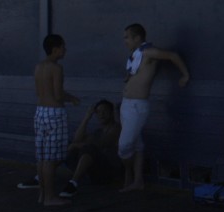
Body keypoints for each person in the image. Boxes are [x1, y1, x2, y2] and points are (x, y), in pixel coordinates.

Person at [119, 23, 190, 192]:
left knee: (124, 146)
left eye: (127, 37)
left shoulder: (148, 52)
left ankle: (128, 173)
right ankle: (138, 181)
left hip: (137, 105)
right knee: (137, 145)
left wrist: (185, 75)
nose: (125, 41)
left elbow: (173, 55)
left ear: (137, 37)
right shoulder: (135, 55)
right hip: (126, 103)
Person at [33, 33, 80, 205]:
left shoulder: (38, 67)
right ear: (55, 49)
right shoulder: (56, 68)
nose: (65, 50)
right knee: (52, 159)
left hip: (40, 112)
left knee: (42, 157)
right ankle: (50, 197)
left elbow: (39, 92)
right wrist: (73, 98)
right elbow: (58, 94)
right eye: (63, 46)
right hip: (54, 113)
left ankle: (42, 195)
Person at [60, 99, 122, 197]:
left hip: (108, 173)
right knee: (70, 147)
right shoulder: (98, 132)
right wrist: (87, 117)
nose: (101, 114)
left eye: (105, 111)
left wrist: (77, 145)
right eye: (98, 112)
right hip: (95, 173)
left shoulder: (116, 128)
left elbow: (101, 143)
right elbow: (77, 140)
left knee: (88, 149)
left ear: (112, 113)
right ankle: (42, 177)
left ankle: (73, 183)